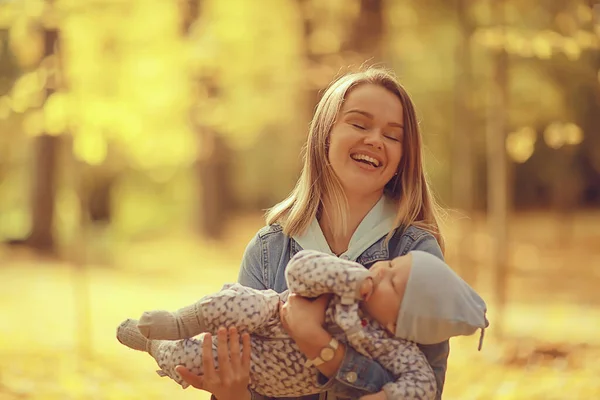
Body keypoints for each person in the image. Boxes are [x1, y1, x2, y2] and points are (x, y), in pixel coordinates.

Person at [176, 67, 450, 400]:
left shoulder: (417, 254)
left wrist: (320, 345)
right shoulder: (267, 253)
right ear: (325, 134)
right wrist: (233, 395)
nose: (376, 140)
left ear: (402, 157)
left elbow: (426, 390)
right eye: (359, 124)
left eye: (393, 135)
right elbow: (246, 377)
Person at [117, 250, 488, 400]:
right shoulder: (350, 281)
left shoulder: (394, 347)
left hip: (270, 375)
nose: (382, 269)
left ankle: (155, 347)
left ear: (399, 322)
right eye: (392, 264)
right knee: (242, 304)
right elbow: (298, 271)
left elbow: (423, 386)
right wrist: (348, 279)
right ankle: (181, 321)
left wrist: (383, 395)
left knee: (203, 359)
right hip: (270, 316)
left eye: (392, 281)